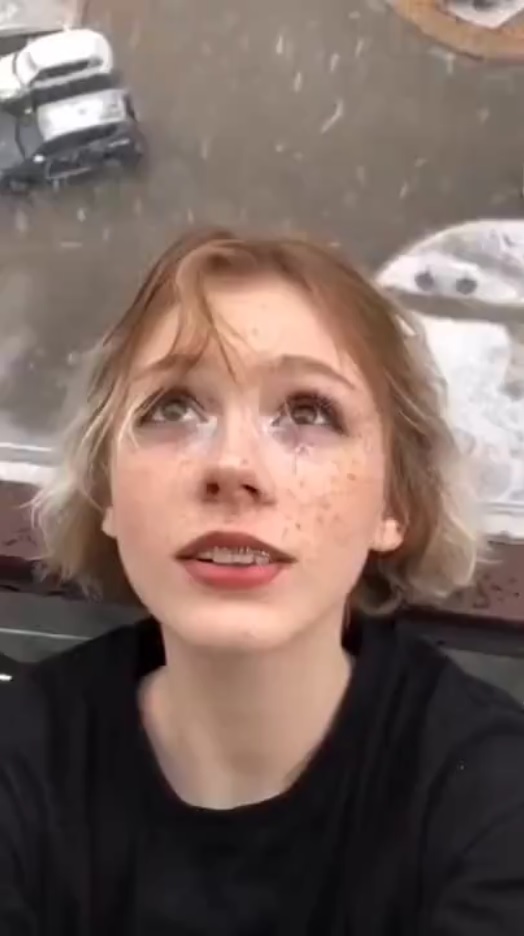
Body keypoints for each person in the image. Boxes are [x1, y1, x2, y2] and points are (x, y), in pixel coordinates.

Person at [1, 228, 524, 936]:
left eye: (309, 412)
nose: (233, 465)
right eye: (172, 408)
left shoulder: (492, 794)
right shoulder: (21, 756)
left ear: (395, 502)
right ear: (108, 494)